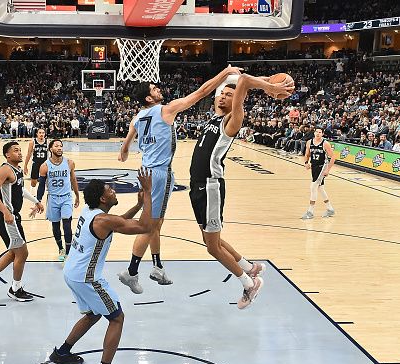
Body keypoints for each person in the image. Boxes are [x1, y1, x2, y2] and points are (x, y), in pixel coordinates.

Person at [117, 65, 243, 294]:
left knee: (156, 223)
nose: (158, 90)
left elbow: (130, 134)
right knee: (150, 224)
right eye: (154, 89)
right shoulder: (165, 109)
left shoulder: (139, 116)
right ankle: (131, 272)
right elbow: (202, 92)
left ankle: (156, 266)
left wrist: (125, 149)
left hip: (145, 171)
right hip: (159, 173)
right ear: (148, 97)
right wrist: (224, 74)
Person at [189, 74, 294, 309]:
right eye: (222, 93)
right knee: (210, 240)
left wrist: (268, 85)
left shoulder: (232, 121)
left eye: (230, 94)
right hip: (197, 187)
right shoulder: (213, 118)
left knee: (212, 247)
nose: (225, 96)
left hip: (210, 185)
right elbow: (235, 79)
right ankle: (250, 267)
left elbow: (244, 80)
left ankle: (249, 283)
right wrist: (231, 74)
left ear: (237, 98)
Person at [49, 168, 153, 364]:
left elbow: (116, 221)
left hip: (72, 273)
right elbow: (146, 227)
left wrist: (137, 206)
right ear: (103, 198)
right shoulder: (103, 219)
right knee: (117, 318)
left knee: (94, 314)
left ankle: (62, 353)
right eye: (110, 190)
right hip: (86, 278)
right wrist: (148, 192)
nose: (114, 191)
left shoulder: (91, 211)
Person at [0, 141, 44, 302]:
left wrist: (36, 200)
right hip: (6, 218)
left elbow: (20, 190)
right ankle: (15, 289)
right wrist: (5, 211)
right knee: (22, 252)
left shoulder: (17, 170)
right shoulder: (4, 169)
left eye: (20, 150)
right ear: (7, 154)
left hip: (11, 217)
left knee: (15, 252)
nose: (20, 153)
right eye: (15, 151)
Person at [37, 139, 80, 261]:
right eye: (56, 146)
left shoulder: (70, 163)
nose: (60, 148)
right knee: (55, 226)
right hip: (53, 198)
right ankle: (61, 248)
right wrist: (38, 200)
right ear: (51, 149)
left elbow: (73, 180)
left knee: (67, 224)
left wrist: (77, 195)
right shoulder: (44, 166)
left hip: (66, 197)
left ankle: (69, 251)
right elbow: (41, 186)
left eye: (61, 146)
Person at [301, 127, 336, 219]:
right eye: (316, 131)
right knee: (320, 188)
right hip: (314, 166)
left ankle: (310, 211)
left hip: (322, 166)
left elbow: (333, 157)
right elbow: (307, 154)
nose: (317, 133)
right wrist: (306, 163)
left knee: (313, 186)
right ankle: (330, 209)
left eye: (320, 132)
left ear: (322, 134)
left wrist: (327, 170)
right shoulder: (309, 142)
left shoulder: (325, 143)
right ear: (314, 132)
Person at [23, 128, 48, 194]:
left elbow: (52, 154)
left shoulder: (48, 142)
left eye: (43, 133)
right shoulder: (32, 142)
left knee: (45, 180)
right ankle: (33, 194)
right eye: (40, 133)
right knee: (33, 182)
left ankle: (42, 194)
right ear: (37, 134)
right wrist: (25, 166)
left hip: (45, 164)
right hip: (36, 163)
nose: (41, 134)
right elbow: (28, 154)